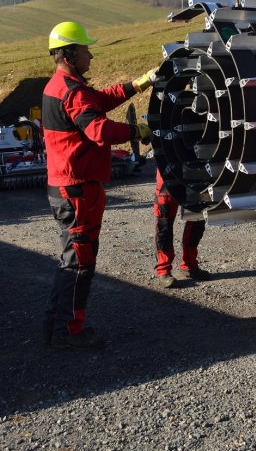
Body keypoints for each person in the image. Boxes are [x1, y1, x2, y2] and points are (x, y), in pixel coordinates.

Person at [42, 21, 156, 349]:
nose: (90, 55)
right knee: (80, 262)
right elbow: (99, 130)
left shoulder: (63, 85)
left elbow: (100, 100)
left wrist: (138, 84)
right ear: (69, 54)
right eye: (84, 50)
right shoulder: (71, 91)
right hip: (77, 188)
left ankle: (55, 325)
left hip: (67, 185)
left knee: (70, 259)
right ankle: (69, 331)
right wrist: (136, 132)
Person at [153, 168, 210, 287]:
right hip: (167, 170)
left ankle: (189, 265)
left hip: (195, 170)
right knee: (164, 224)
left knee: (197, 219)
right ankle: (163, 270)